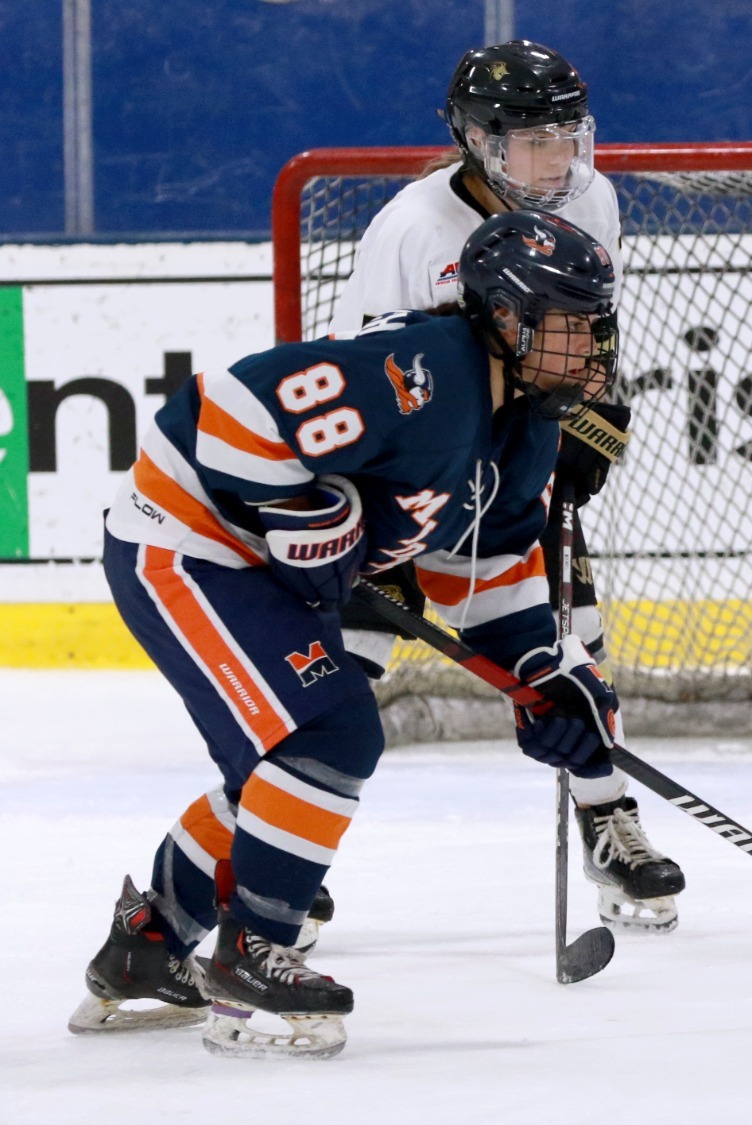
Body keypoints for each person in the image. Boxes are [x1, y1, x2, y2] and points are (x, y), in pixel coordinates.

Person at [72, 211, 626, 1059]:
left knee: (280, 773)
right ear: (508, 319)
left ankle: (150, 945)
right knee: (329, 730)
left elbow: (482, 572)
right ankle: (256, 954)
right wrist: (303, 511)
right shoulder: (423, 374)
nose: (590, 347)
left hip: (245, 567)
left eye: (596, 325)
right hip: (183, 540)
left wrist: (542, 675)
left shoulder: (529, 427)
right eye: (570, 324)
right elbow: (228, 412)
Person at [331, 40, 682, 932]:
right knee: (346, 678)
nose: (559, 161)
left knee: (577, 645)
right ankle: (280, 854)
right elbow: (367, 383)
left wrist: (588, 427)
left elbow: (587, 338)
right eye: (536, 141)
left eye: (570, 137)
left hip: (512, 472)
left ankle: (611, 822)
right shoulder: (411, 230)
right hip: (401, 483)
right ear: (479, 142)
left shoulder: (590, 200)